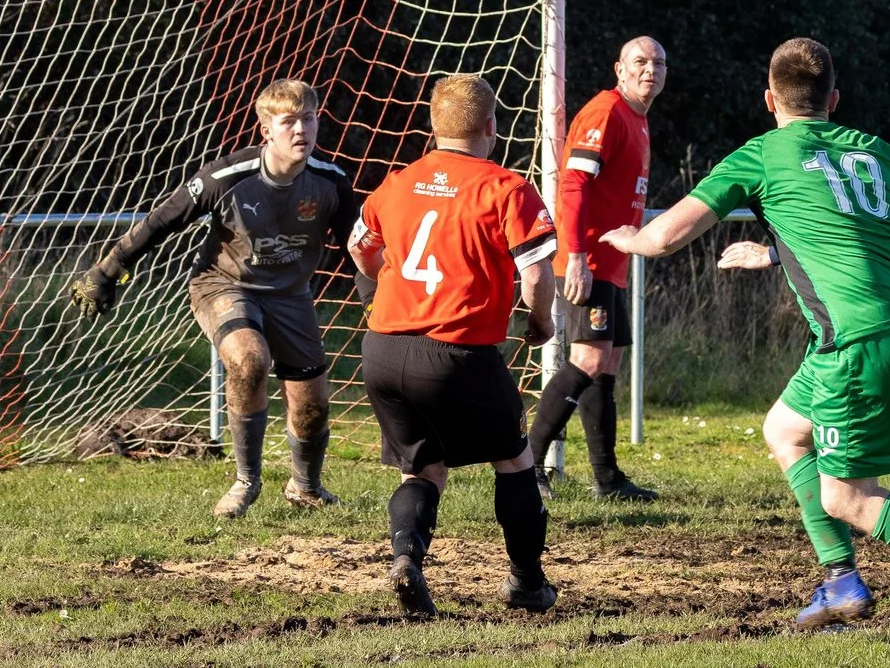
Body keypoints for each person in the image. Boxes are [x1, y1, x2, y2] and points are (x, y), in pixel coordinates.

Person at [603, 38, 890, 648]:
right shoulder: (876, 150)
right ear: (833, 99)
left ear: (769, 99)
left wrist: (625, 239)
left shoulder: (763, 155)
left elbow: (666, 237)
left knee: (849, 496)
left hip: (860, 337)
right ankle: (840, 578)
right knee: (783, 430)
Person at [67, 78, 355, 522]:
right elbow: (163, 220)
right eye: (289, 122)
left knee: (312, 403)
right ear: (266, 130)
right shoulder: (225, 177)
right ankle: (245, 482)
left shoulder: (331, 181)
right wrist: (109, 269)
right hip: (222, 285)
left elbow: (359, 249)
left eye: (309, 119)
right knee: (248, 359)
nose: (301, 131)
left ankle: (306, 486)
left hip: (290, 295)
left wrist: (378, 301)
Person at [346, 74, 561, 616]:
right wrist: (541, 320)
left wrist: (376, 286)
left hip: (384, 352)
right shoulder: (506, 187)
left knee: (422, 470)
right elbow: (536, 270)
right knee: (514, 461)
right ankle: (527, 584)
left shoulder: (397, 183)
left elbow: (359, 247)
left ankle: (407, 558)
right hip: (456, 353)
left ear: (433, 128)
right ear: (491, 127)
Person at [528, 35, 666, 501]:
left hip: (613, 264)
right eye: (640, 62)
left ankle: (607, 480)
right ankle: (528, 463)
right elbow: (572, 186)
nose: (651, 70)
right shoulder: (606, 111)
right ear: (619, 69)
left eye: (659, 63)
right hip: (586, 262)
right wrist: (577, 258)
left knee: (606, 363)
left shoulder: (639, 119)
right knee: (587, 359)